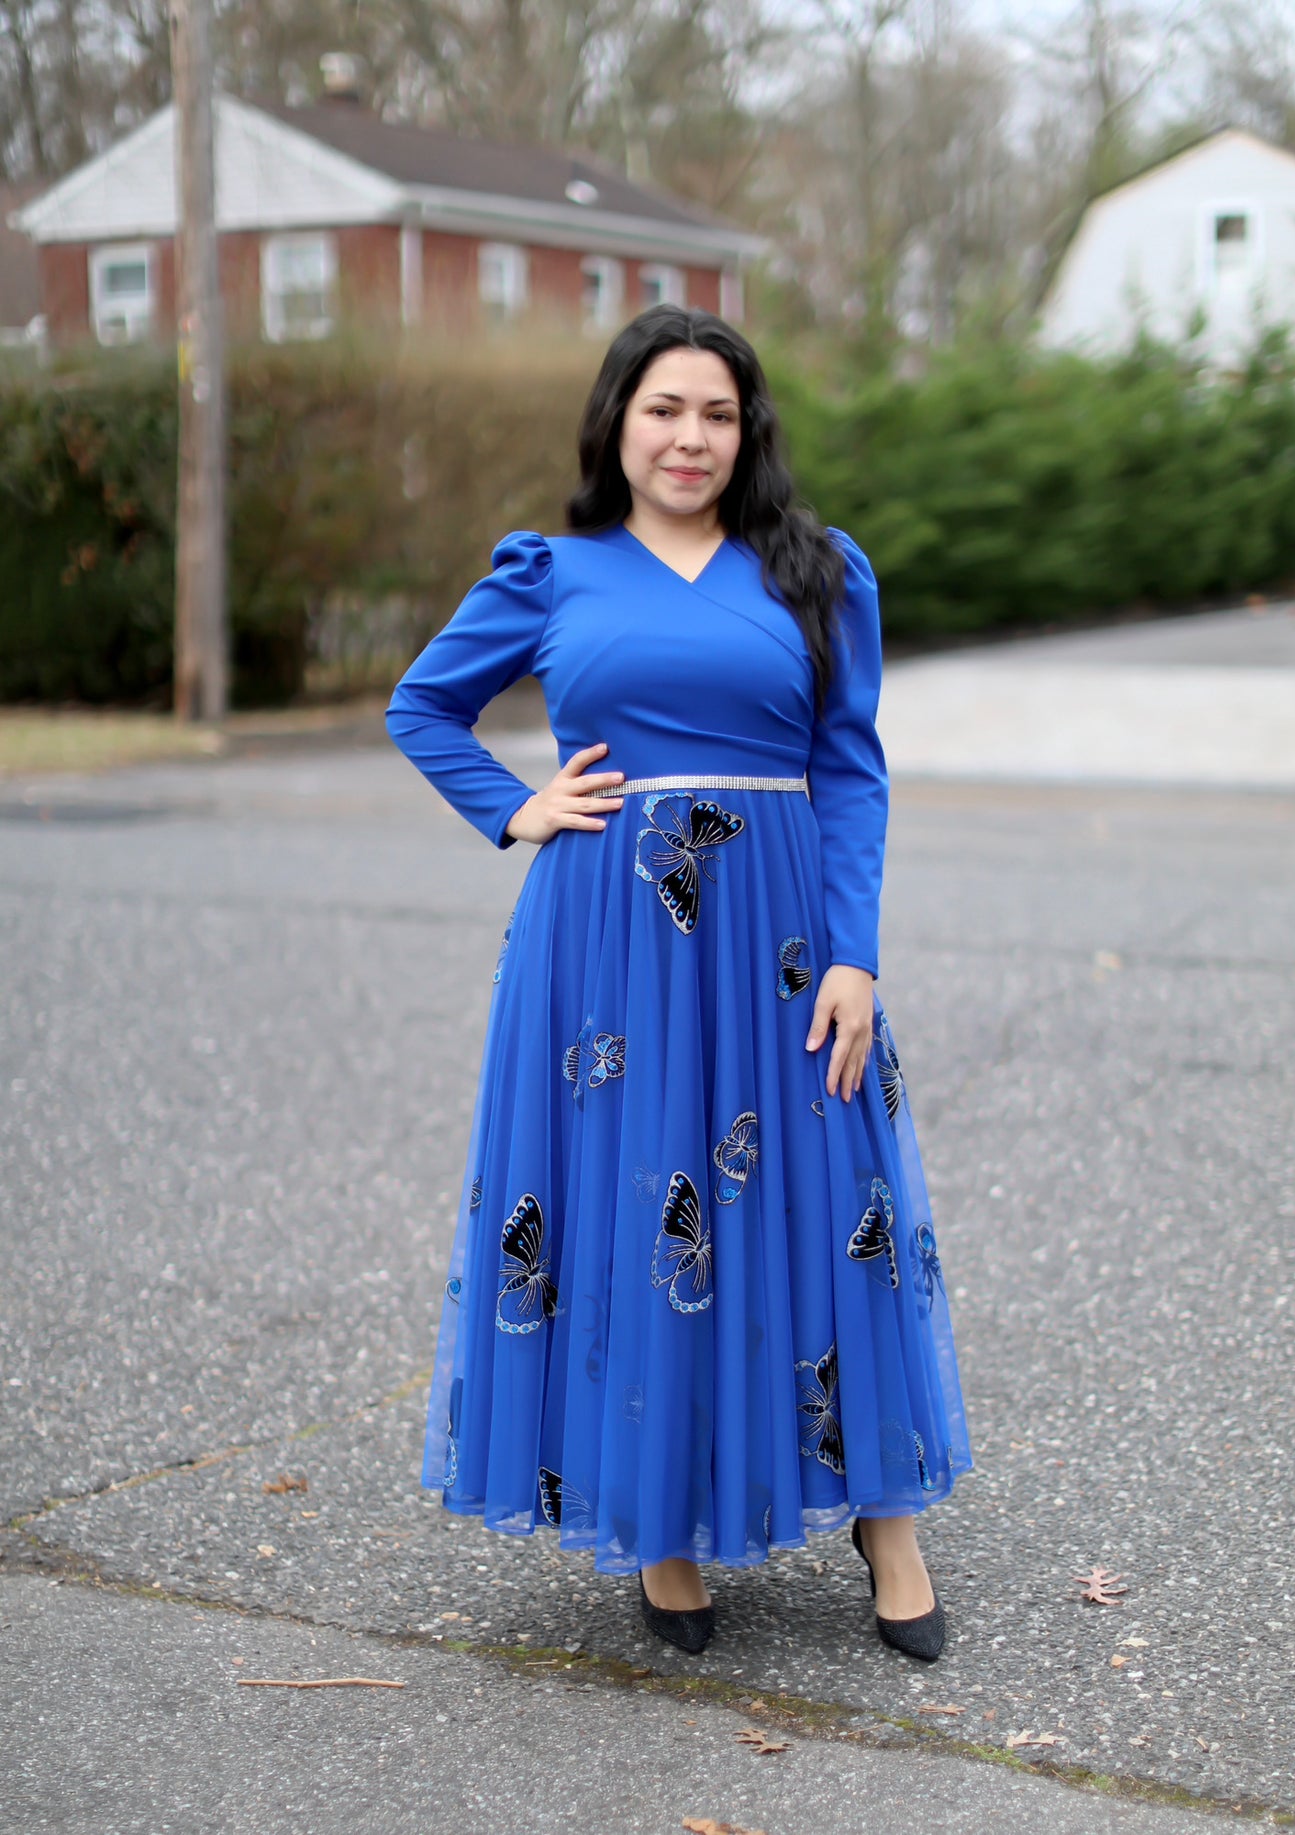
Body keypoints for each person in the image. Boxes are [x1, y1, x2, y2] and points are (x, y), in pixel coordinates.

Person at [385, 303, 972, 1662]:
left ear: (746, 431)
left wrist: (855, 954)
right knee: (639, 1199)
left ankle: (889, 1523)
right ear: (619, 423)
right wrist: (513, 808)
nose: (691, 437)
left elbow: (851, 768)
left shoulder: (819, 571)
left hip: (777, 939)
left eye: (718, 413)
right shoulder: (552, 571)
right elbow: (424, 706)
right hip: (607, 947)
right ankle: (660, 1528)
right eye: (665, 409)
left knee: (836, 1197)